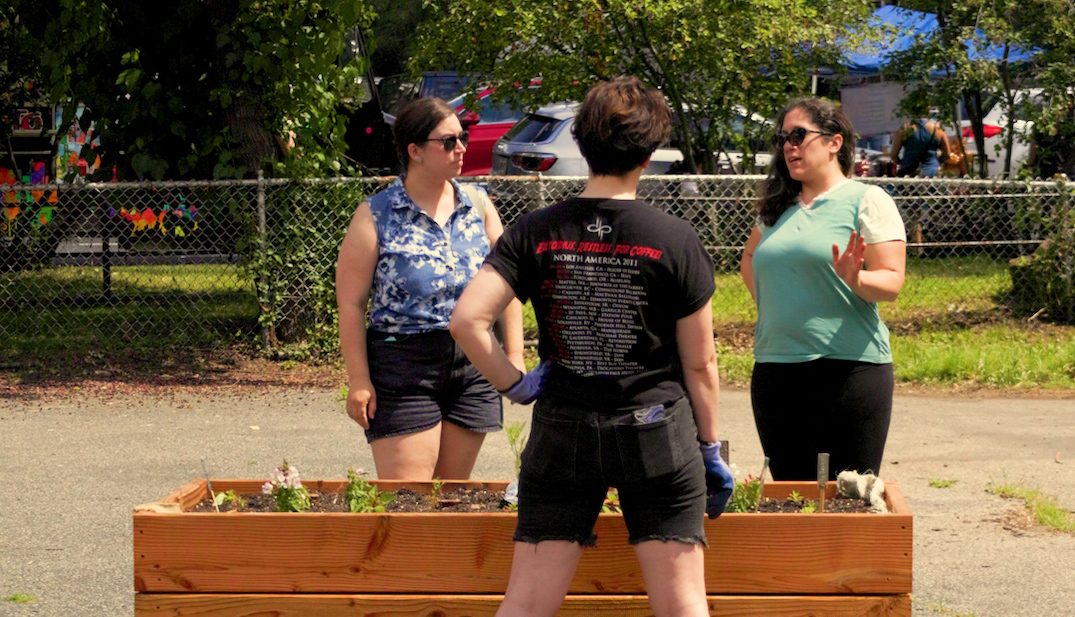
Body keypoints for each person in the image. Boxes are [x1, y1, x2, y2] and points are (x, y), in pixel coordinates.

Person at [449, 76, 734, 617]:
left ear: (581, 144)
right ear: (648, 154)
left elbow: (466, 320)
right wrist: (709, 448)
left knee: (528, 602)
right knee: (681, 606)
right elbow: (700, 362)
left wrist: (513, 383)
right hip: (659, 434)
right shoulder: (675, 238)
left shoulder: (535, 230)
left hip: (564, 430)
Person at [335, 97, 525, 480]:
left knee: (452, 497)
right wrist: (359, 380)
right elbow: (352, 304)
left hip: (474, 364)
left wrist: (515, 356)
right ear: (415, 151)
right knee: (409, 502)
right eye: (449, 141)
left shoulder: (479, 204)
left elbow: (508, 286)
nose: (462, 148)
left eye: (463, 137)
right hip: (404, 365)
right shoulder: (376, 214)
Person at [740, 97, 907, 481]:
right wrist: (776, 307)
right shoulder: (777, 207)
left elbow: (892, 281)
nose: (789, 146)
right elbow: (749, 258)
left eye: (799, 135)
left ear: (834, 142)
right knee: (793, 503)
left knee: (848, 504)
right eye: (783, 138)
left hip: (849, 372)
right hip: (776, 373)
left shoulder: (867, 200)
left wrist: (856, 280)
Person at [891, 109, 953, 178]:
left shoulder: (905, 128)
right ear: (928, 110)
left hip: (908, 172)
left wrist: (902, 162)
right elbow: (947, 155)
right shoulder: (938, 128)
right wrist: (937, 161)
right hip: (932, 172)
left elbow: (893, 155)